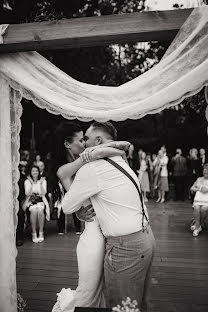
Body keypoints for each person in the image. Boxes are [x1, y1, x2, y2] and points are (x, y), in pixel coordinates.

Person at [61, 122, 156, 311]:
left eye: (86, 138)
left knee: (122, 307)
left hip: (125, 247)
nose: (83, 143)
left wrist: (79, 211)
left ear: (98, 140)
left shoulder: (92, 168)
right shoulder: (121, 160)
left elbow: (66, 206)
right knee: (138, 304)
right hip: (147, 238)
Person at [51, 122, 130, 312]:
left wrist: (98, 151)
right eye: (81, 140)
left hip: (110, 234)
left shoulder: (93, 163)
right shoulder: (67, 169)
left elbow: (126, 146)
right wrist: (92, 154)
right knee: (87, 294)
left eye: (86, 139)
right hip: (93, 237)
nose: (85, 144)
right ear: (67, 145)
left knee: (102, 293)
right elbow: (70, 203)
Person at [22, 165, 50, 243]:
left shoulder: (43, 181)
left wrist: (40, 184)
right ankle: (34, 233)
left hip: (41, 201)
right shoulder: (27, 181)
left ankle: (41, 232)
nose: (35, 172)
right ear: (30, 172)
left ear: (38, 172)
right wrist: (31, 183)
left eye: (36, 171)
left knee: (40, 210)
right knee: (34, 211)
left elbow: (43, 193)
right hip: (30, 201)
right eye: (33, 171)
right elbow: (27, 193)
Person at [190, 164, 208, 237]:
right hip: (198, 199)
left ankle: (197, 225)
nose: (205, 173)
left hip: (207, 200)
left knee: (204, 209)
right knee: (196, 207)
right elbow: (192, 188)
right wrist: (199, 189)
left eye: (207, 172)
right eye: (204, 171)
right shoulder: (199, 179)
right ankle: (198, 227)